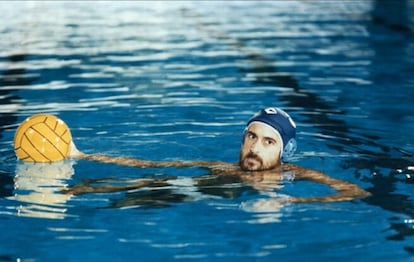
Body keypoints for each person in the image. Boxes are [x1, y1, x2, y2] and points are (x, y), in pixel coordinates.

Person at [62, 107, 371, 206]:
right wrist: (82, 155)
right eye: (251, 136)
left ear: (283, 151)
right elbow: (149, 165)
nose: (255, 147)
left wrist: (292, 201)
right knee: (147, 184)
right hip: (193, 194)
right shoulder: (219, 167)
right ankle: (80, 192)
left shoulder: (295, 175)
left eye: (267, 141)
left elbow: (355, 190)